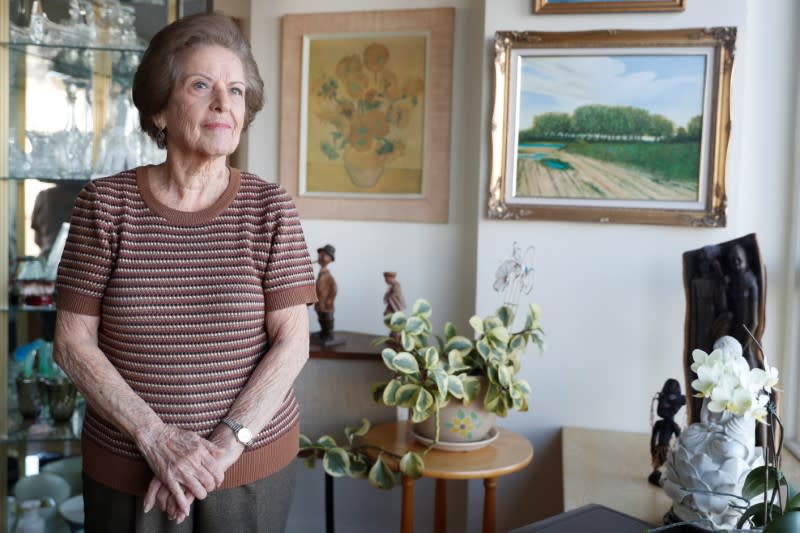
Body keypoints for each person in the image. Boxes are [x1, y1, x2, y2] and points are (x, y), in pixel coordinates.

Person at [52, 13, 317, 532]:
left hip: (247, 465)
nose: (224, 103)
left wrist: (220, 448)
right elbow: (71, 343)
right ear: (159, 109)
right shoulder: (104, 205)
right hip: (128, 467)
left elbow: (292, 342)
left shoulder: (270, 208)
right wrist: (154, 437)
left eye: (236, 90)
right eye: (202, 85)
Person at [313, 244, 337, 341]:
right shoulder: (321, 273)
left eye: (324, 255)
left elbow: (334, 289)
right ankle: (324, 332)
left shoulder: (328, 276)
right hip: (320, 303)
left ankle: (328, 334)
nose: (321, 257)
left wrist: (329, 300)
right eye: (320, 255)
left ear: (330, 259)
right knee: (321, 319)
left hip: (326, 304)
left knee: (328, 319)